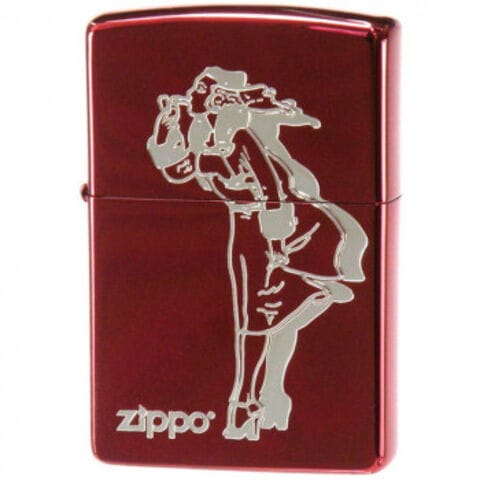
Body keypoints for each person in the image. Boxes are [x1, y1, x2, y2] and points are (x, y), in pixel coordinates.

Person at [147, 67, 368, 441]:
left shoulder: (236, 132)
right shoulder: (199, 131)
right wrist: (167, 130)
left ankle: (246, 405)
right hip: (246, 228)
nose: (199, 95)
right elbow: (176, 170)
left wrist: (276, 237)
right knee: (257, 317)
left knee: (254, 319)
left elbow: (271, 184)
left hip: (266, 227)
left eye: (208, 90)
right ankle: (259, 399)